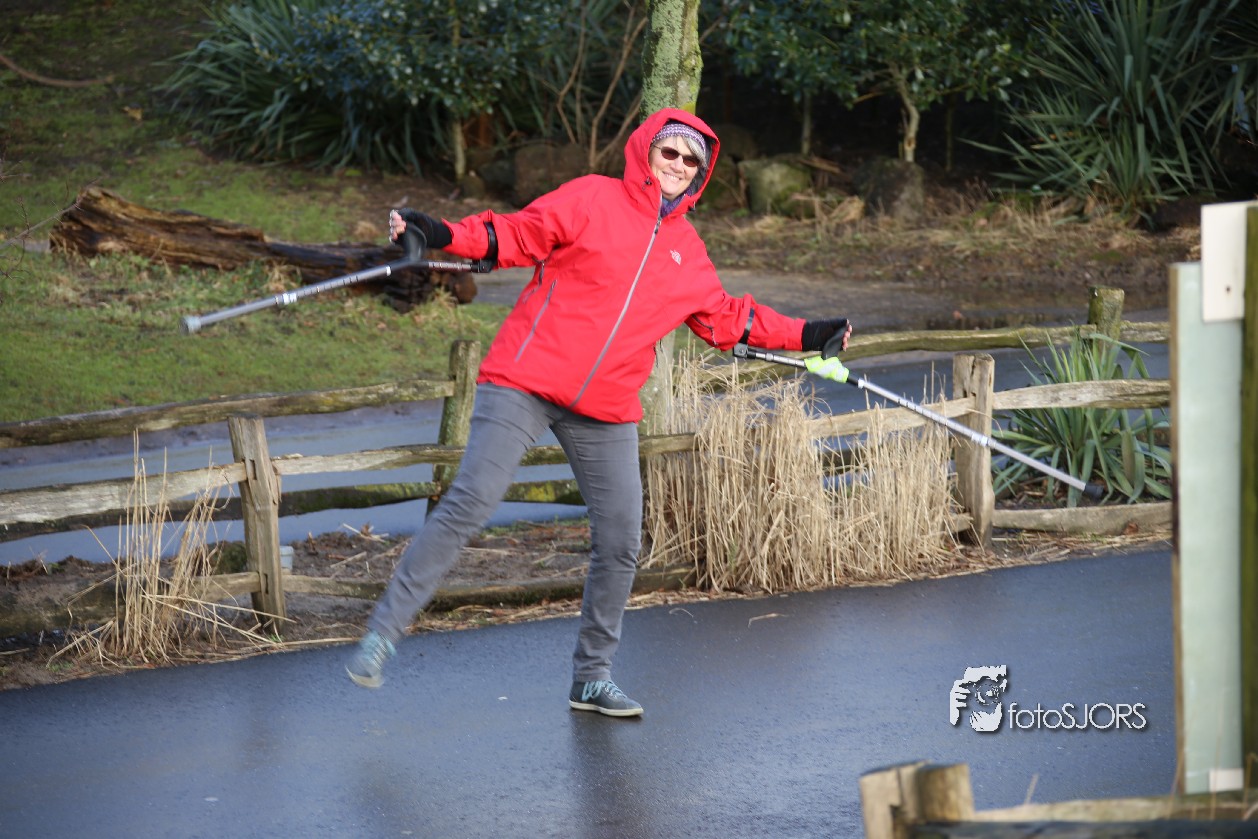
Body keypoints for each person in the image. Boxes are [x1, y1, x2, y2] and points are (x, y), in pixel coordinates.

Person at [346, 107, 852, 717]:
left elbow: (729, 319)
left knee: (620, 541)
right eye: (670, 152)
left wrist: (809, 332)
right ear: (648, 152)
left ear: (700, 174)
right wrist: (440, 231)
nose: (678, 165)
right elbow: (512, 236)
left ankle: (591, 677)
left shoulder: (688, 253)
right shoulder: (591, 198)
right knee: (471, 501)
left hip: (606, 407)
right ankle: (382, 634)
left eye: (691, 160)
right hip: (526, 380)